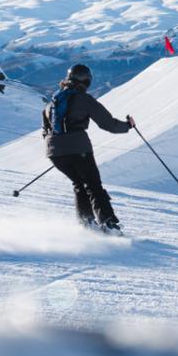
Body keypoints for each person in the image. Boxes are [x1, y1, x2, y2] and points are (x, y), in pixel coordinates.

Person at [42, 63, 135, 233]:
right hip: (78, 148)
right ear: (86, 81)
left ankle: (87, 224)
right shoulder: (83, 99)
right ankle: (109, 225)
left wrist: (59, 148)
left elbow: (45, 130)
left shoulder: (53, 101)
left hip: (54, 152)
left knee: (79, 184)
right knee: (93, 186)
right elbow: (108, 124)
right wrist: (128, 126)